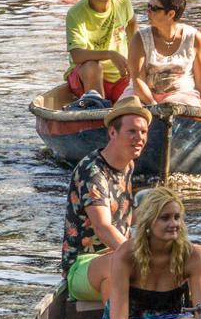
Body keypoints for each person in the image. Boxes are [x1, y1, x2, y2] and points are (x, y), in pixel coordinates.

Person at [61, 100, 151, 304]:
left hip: (117, 253)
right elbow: (102, 228)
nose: (140, 138)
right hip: (83, 265)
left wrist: (154, 210)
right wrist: (144, 260)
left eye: (143, 132)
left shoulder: (128, 165)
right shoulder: (93, 171)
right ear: (112, 133)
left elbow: (124, 219)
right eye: (132, 131)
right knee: (116, 266)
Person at [99, 187, 201, 319]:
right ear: (148, 222)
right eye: (165, 218)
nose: (174, 224)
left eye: (177, 217)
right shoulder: (125, 255)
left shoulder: (192, 256)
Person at [122, 0, 201, 108]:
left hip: (180, 94)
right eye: (148, 6)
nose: (148, 11)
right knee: (129, 115)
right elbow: (138, 79)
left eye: (154, 8)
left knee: (176, 110)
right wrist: (153, 106)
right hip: (141, 94)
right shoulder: (140, 38)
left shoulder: (194, 38)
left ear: (170, 14)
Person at [65, 0, 137, 102]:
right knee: (93, 67)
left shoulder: (123, 1)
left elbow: (132, 23)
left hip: (120, 76)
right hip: (86, 77)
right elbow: (77, 56)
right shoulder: (75, 13)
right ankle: (96, 109)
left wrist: (134, 57)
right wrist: (110, 54)